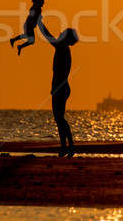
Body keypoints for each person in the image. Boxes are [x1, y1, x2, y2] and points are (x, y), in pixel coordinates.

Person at [38, 18, 79, 158]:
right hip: (61, 87)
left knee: (59, 118)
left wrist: (39, 23)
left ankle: (68, 146)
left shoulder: (62, 48)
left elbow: (48, 36)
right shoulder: (64, 49)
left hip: (60, 87)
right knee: (59, 118)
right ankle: (66, 147)